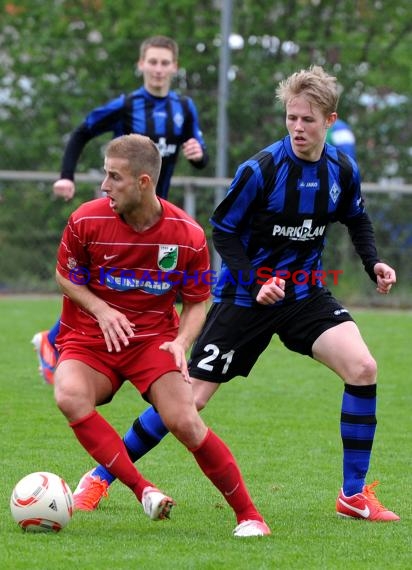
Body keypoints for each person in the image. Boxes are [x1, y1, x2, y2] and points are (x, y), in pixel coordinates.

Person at [73, 66, 400, 523]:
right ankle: (100, 477)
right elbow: (222, 232)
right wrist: (254, 282)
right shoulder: (261, 169)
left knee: (363, 367)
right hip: (244, 298)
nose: (298, 128)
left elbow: (356, 218)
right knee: (190, 401)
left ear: (330, 119)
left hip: (305, 294)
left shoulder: (341, 169)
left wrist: (372, 263)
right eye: (291, 118)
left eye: (308, 119)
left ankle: (352, 494)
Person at [53, 133, 270, 538]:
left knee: (186, 421)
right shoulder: (86, 218)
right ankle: (142, 489)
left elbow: (197, 302)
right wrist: (101, 309)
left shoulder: (186, 235)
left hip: (154, 341)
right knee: (68, 395)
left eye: (114, 177)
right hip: (89, 339)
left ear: (143, 182)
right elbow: (66, 275)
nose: (104, 185)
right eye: (105, 174)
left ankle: (250, 516)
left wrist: (181, 342)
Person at [32, 35, 208, 385]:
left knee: (154, 289)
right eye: (152, 62)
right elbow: (82, 132)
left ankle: (143, 355)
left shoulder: (184, 109)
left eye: (165, 63)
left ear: (174, 67)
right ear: (141, 65)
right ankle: (55, 342)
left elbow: (197, 151)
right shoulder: (127, 105)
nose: (158, 69)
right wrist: (65, 176)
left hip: (159, 216)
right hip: (122, 211)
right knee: (101, 283)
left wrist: (199, 155)